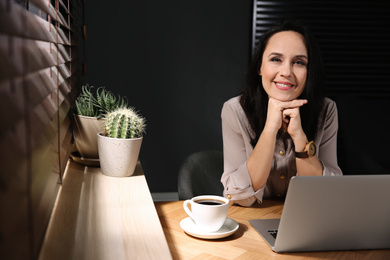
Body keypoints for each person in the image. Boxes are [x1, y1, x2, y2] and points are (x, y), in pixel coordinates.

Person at [220, 20, 342, 207]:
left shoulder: (326, 110)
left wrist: (299, 136)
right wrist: (270, 128)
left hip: (306, 218)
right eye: (276, 59)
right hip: (252, 218)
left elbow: (330, 194)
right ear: (260, 67)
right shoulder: (235, 110)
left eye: (299, 62)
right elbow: (236, 196)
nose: (286, 72)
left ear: (309, 72)